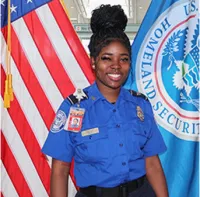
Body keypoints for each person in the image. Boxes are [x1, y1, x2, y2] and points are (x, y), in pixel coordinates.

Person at [42, 4, 169, 197]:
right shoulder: (73, 108)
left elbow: (152, 163)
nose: (116, 66)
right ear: (94, 61)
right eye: (107, 58)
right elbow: (60, 170)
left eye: (124, 59)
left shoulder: (140, 105)